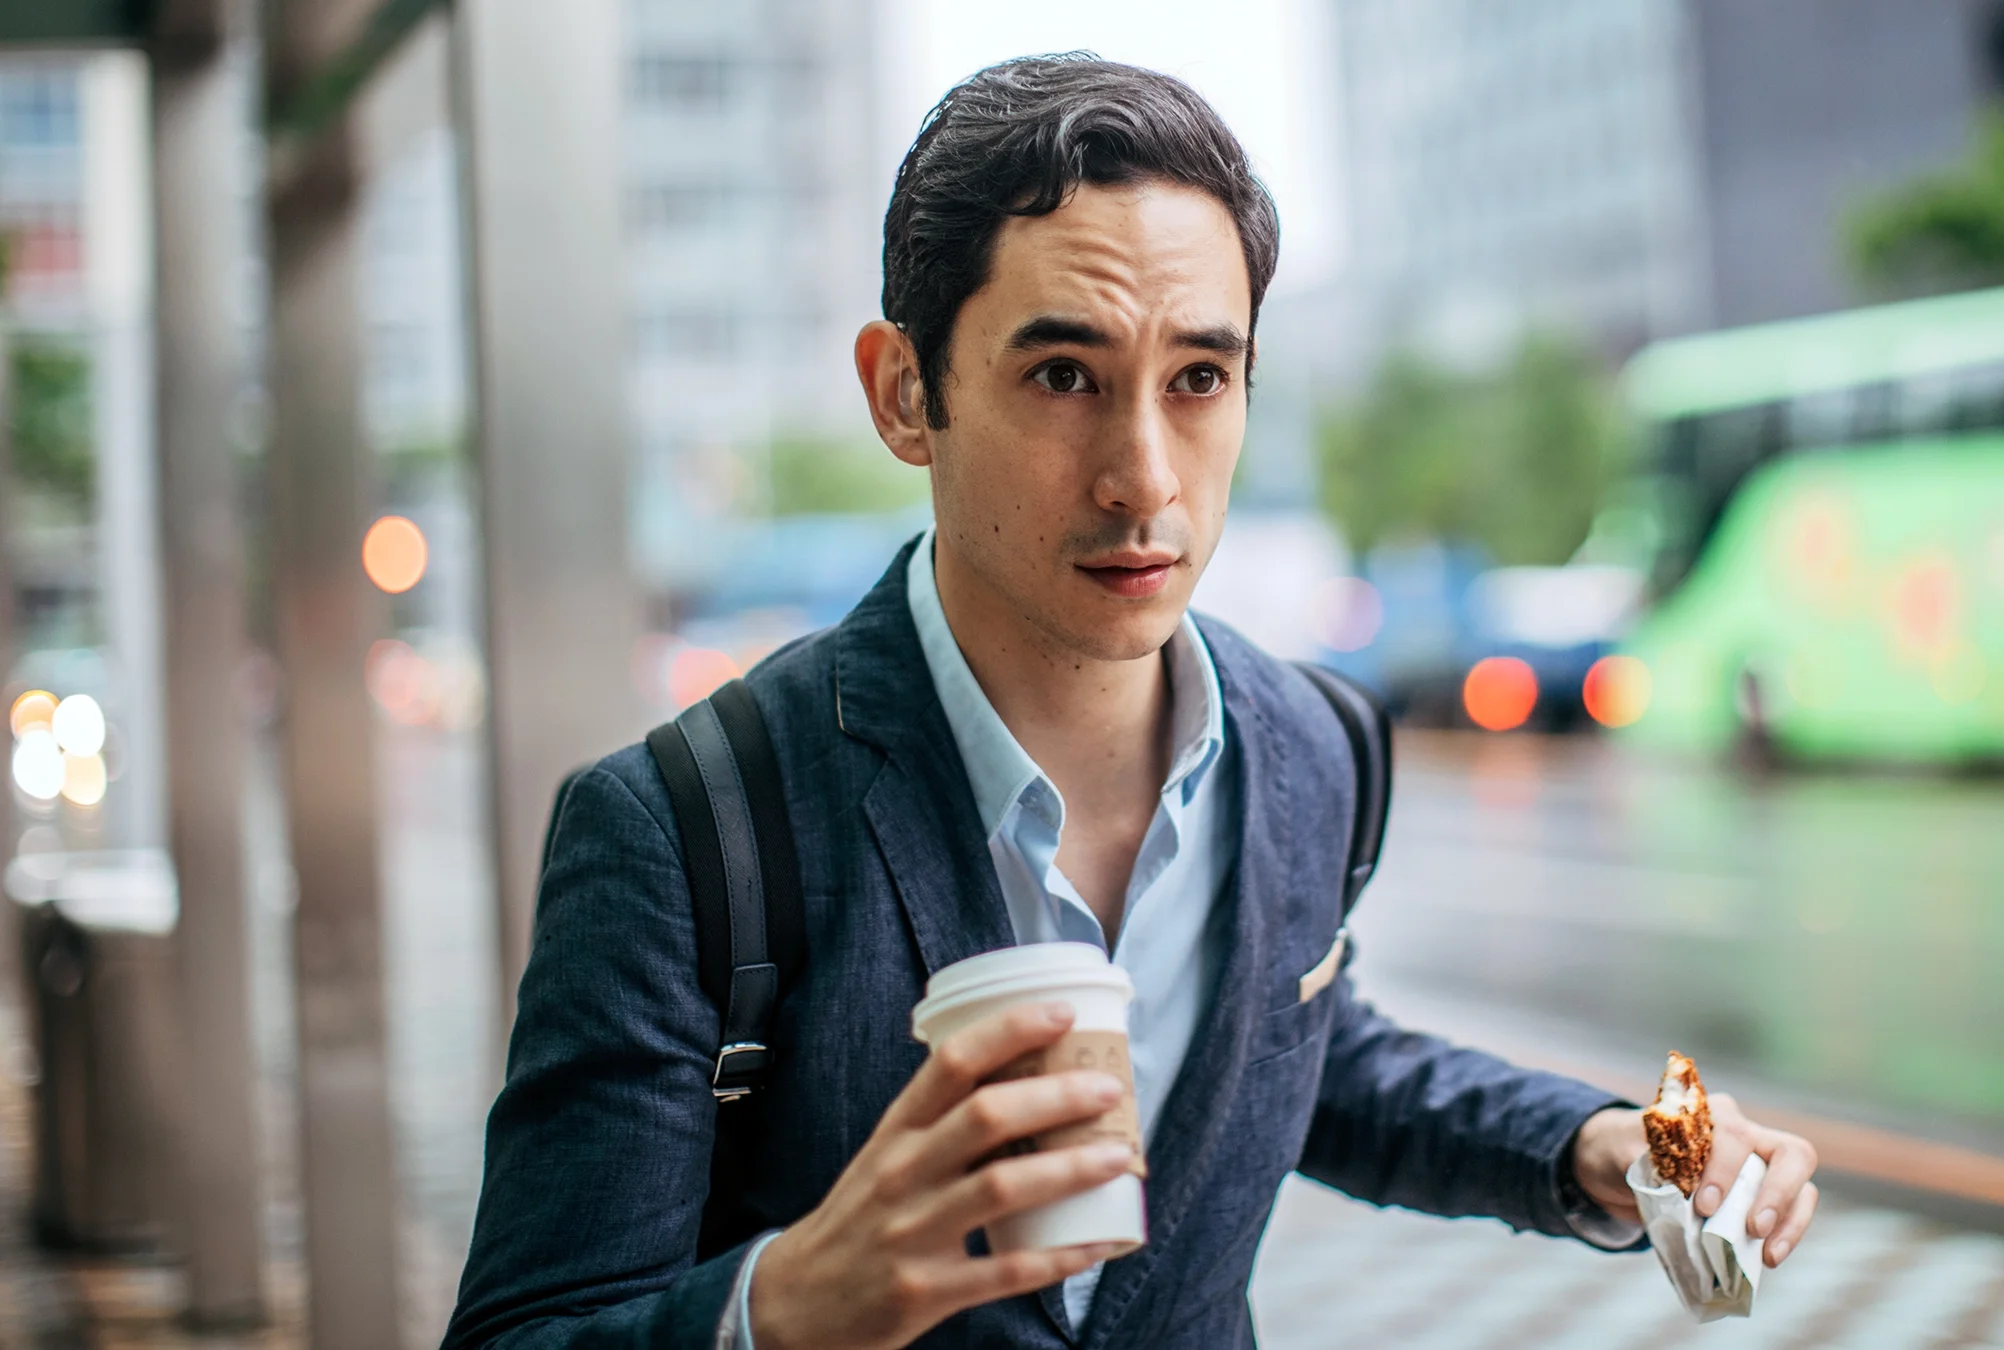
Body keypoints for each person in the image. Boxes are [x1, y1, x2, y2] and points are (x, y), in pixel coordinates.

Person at [442, 55, 1819, 1350]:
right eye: (1062, 377)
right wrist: (783, 1306)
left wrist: (1604, 1145)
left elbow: (1294, 1043)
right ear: (903, 392)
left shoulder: (1312, 743)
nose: (1146, 476)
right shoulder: (687, 828)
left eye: (1199, 378)